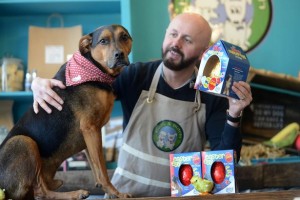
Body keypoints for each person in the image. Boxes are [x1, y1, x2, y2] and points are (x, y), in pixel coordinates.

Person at [31, 13, 252, 197]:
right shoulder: (134, 75)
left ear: (204, 52)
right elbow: (79, 90)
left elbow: (224, 164)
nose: (176, 43)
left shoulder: (210, 94)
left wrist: (234, 114)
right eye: (173, 34)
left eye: (187, 40)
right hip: (124, 194)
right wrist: (39, 84)